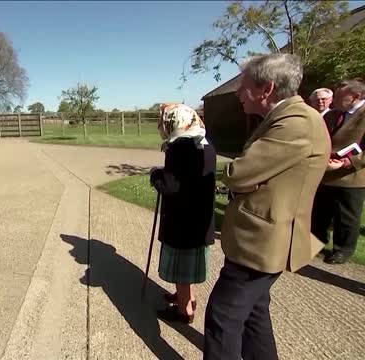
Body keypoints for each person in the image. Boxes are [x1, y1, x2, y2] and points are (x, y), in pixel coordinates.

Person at [203, 53, 331, 360]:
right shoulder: (284, 119)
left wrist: (244, 179)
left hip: (262, 243)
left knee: (222, 319)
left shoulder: (296, 123)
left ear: (267, 89)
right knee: (254, 315)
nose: (237, 93)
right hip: (260, 240)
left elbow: (238, 173)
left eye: (244, 86)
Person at [149, 103, 216, 324]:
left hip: (182, 220)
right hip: (200, 217)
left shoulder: (179, 147)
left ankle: (183, 310)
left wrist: (156, 175)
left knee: (181, 267)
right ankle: (187, 297)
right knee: (188, 266)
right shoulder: (206, 144)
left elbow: (170, 186)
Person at [311, 78, 365, 264]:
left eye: (340, 97)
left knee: (347, 216)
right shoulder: (332, 114)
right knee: (320, 211)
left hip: (350, 176)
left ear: (356, 97)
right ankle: (315, 242)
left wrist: (348, 163)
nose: (333, 101)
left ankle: (343, 249)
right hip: (326, 171)